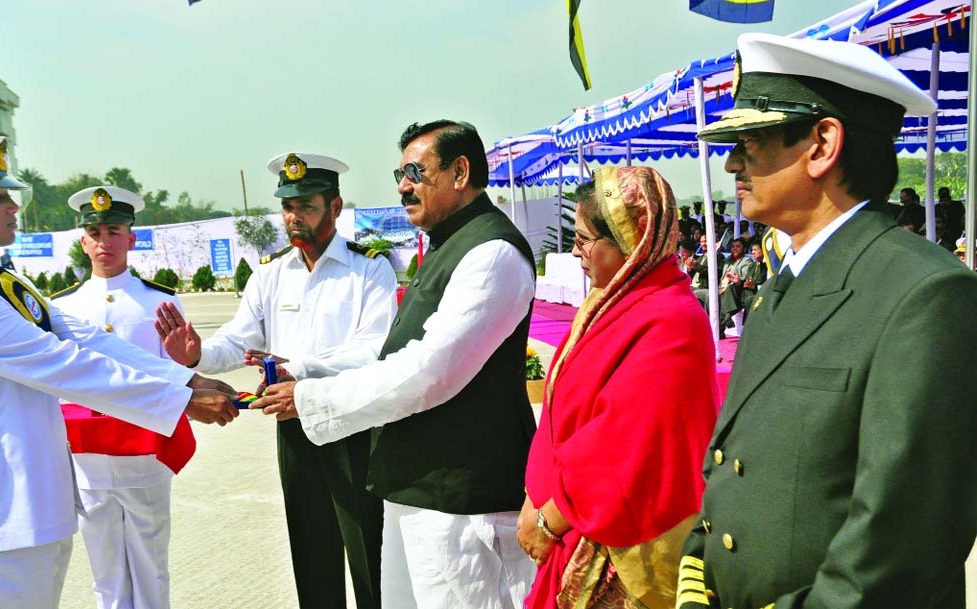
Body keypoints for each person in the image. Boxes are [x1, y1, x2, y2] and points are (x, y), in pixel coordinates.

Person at [677, 33, 977, 609]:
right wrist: (698, 577)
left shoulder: (925, 294)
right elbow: (730, 471)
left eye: (750, 142)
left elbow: (900, 547)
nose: (732, 162)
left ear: (821, 145)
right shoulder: (780, 287)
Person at [0, 136, 239, 609]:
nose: (13, 206)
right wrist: (181, 401)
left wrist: (189, 380)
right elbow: (67, 365)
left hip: (33, 502)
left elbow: (85, 337)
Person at [254, 120, 538, 609]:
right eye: (399, 174)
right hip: (415, 491)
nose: (403, 186)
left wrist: (312, 399)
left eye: (414, 172)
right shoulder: (452, 243)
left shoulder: (492, 253)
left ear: (460, 172)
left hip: (462, 502)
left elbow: (429, 372)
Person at [155, 152, 397, 609]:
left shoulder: (369, 268)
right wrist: (197, 355)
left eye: (306, 206)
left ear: (335, 207)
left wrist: (298, 368)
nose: (294, 217)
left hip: (353, 423)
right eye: (287, 207)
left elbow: (374, 348)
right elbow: (238, 340)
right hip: (294, 425)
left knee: (370, 552)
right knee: (311, 550)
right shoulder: (270, 273)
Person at [517, 166, 718, 609]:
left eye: (584, 239)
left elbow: (620, 449)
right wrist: (538, 499)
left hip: (621, 546)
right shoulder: (609, 302)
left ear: (631, 241)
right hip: (574, 519)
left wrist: (548, 520)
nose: (575, 251)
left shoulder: (671, 322)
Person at [51, 186, 195, 609]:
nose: (104, 242)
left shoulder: (160, 301)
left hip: (144, 451)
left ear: (131, 238)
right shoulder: (62, 307)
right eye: (94, 232)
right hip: (87, 456)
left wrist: (188, 362)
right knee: (105, 567)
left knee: (151, 563)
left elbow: (174, 373)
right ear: (82, 241)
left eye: (113, 231)